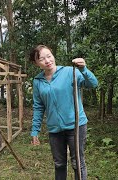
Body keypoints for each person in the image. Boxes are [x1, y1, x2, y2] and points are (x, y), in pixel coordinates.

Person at [29, 45, 98, 180]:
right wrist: (35, 130)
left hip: (76, 126)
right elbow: (38, 107)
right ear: (36, 63)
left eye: (49, 56)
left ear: (53, 55)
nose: (47, 60)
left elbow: (92, 84)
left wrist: (83, 69)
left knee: (78, 163)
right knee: (59, 164)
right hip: (55, 130)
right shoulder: (37, 81)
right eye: (42, 59)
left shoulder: (69, 72)